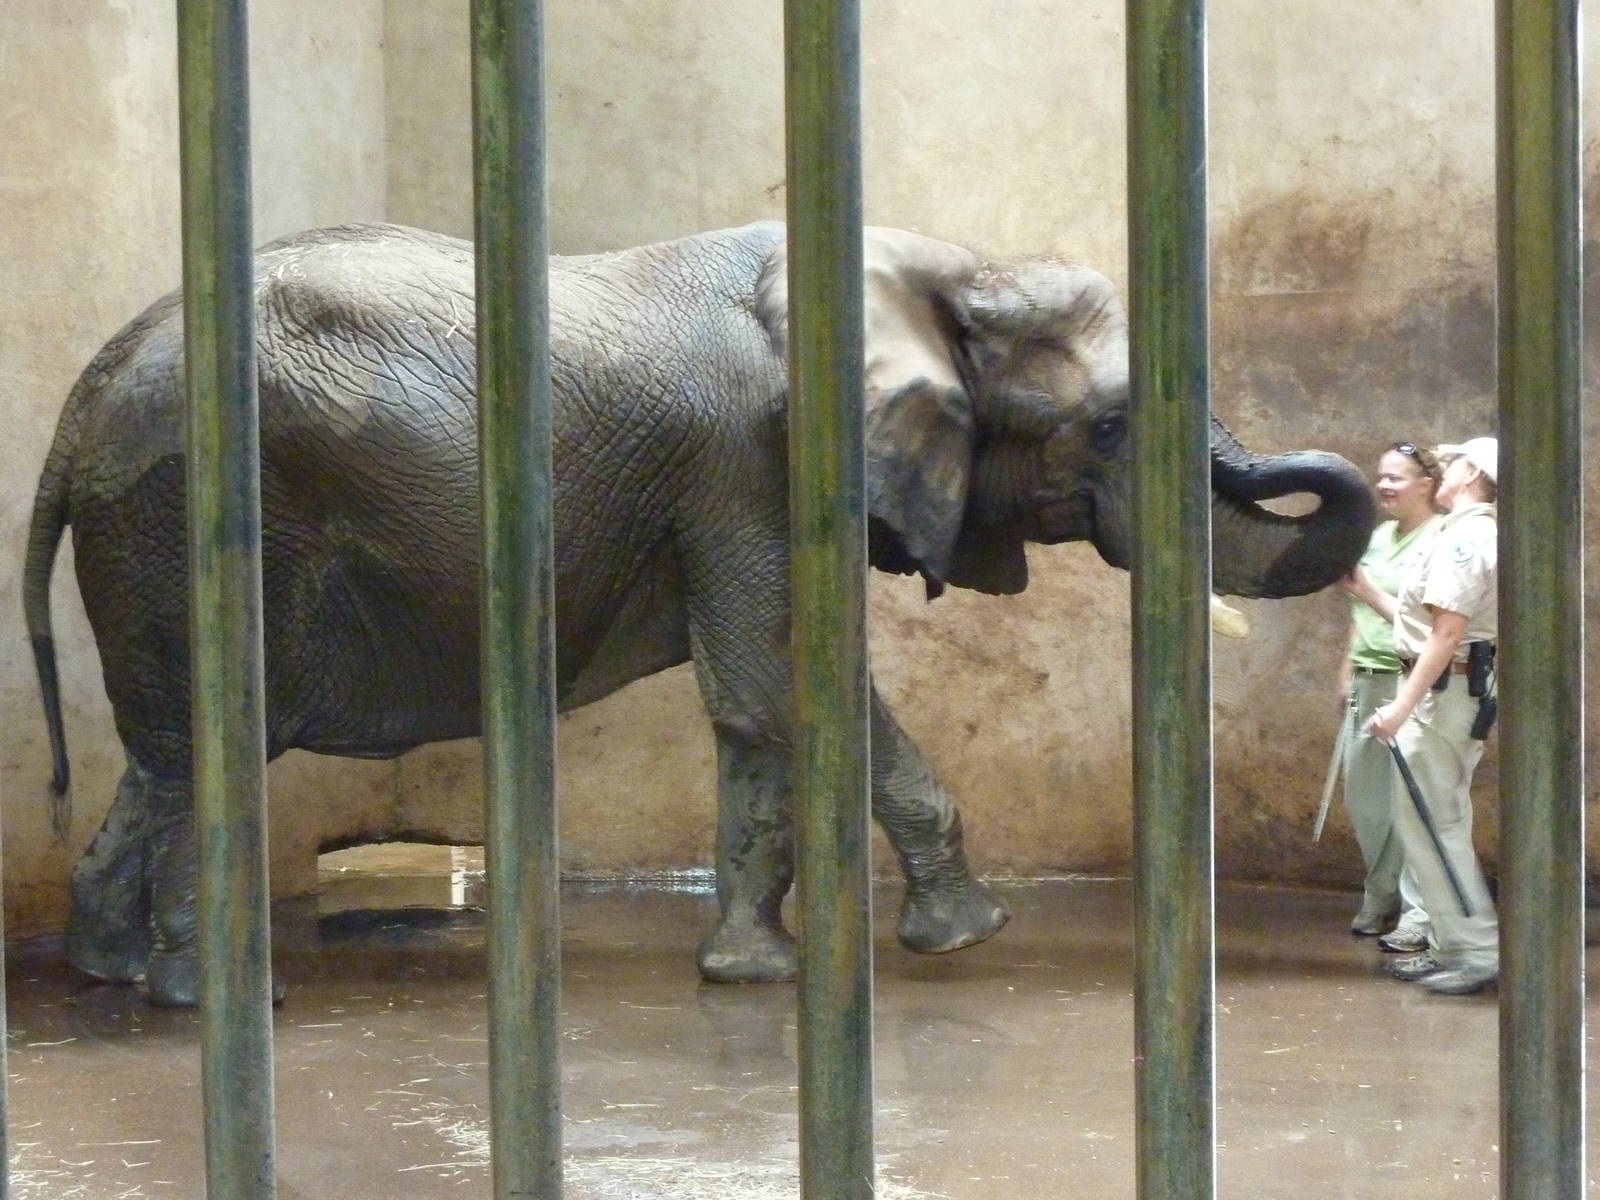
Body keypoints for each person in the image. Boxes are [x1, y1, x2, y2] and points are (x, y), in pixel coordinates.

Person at [1340, 437, 1499, 995]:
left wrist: (1402, 705)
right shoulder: (1461, 533)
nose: (1445, 465)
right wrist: (1367, 595)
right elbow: (1424, 627)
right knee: (1429, 823)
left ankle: (1475, 954)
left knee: (1438, 825)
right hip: (1445, 687)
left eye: (1454, 461)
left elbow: (1448, 634)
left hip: (1443, 692)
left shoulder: (1466, 538)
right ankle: (1451, 946)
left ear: (1473, 471)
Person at [1337, 442, 1442, 941]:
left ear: (1428, 483)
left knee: (1414, 802)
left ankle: (1420, 916)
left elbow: (1428, 624)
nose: (1384, 486)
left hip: (1413, 679)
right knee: (1365, 800)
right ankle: (1381, 894)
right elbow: (1359, 616)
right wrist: (1348, 667)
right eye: (1381, 476)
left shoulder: (1441, 538)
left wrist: (1366, 592)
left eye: (1396, 478)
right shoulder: (1377, 536)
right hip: (1368, 676)